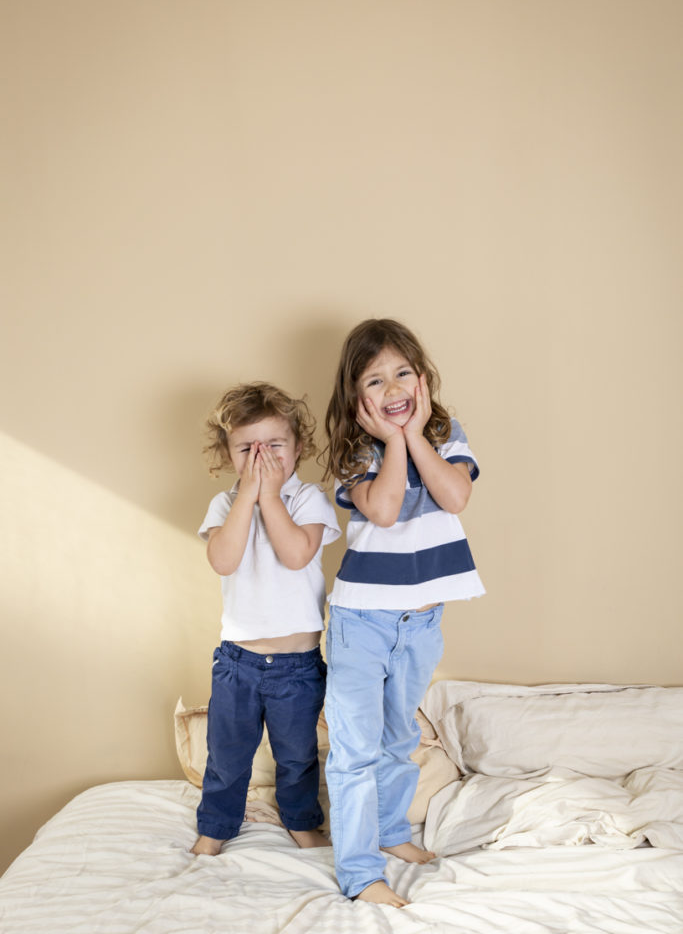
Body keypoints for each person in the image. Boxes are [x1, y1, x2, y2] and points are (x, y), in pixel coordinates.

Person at [322, 319, 485, 906]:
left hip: (420, 622)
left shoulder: (445, 432)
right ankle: (361, 872)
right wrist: (393, 442)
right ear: (355, 397)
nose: (393, 387)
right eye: (375, 380)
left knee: (398, 738)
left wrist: (415, 435)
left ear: (422, 378)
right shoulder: (352, 451)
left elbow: (455, 495)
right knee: (356, 748)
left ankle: (391, 833)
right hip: (360, 624)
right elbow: (385, 511)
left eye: (403, 373)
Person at [192, 381, 340, 856]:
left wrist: (270, 495)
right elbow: (223, 560)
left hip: (296, 667)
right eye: (246, 448)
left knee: (297, 757)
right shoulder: (223, 505)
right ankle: (216, 826)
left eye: (274, 446)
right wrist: (248, 497)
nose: (260, 457)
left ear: (297, 449)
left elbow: (297, 554)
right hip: (238, 663)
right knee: (227, 756)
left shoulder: (307, 499)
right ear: (228, 454)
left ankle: (301, 820)